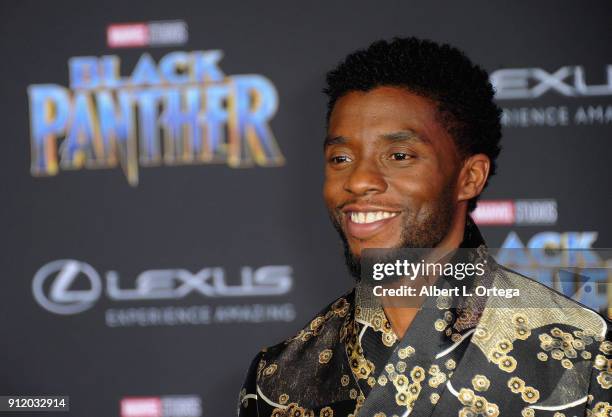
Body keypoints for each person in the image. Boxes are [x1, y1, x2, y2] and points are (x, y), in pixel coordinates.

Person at [237, 37, 611, 417]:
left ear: (469, 177)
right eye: (341, 157)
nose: (358, 180)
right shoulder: (278, 379)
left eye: (399, 155)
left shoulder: (587, 357)